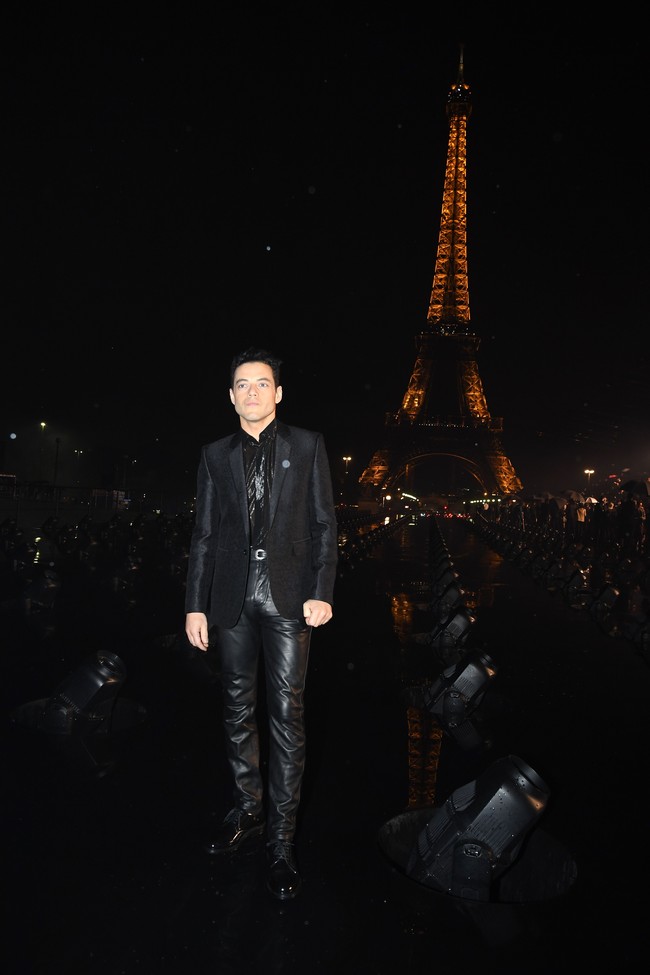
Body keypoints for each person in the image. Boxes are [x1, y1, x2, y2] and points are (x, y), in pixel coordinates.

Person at [184, 347, 338, 901]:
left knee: (287, 715)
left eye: (262, 383)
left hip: (289, 599)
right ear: (231, 396)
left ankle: (281, 841)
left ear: (278, 393)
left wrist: (321, 593)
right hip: (231, 597)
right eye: (242, 384)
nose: (252, 391)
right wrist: (194, 604)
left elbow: (324, 525)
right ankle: (248, 812)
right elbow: (203, 534)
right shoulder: (214, 455)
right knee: (235, 707)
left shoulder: (307, 444)